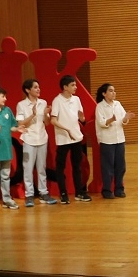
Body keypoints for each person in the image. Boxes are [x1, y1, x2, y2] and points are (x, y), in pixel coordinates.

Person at [51, 75, 89, 203]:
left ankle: (79, 192)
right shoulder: (57, 101)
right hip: (63, 139)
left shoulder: (76, 99)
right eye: (72, 85)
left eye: (75, 85)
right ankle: (63, 193)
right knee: (60, 167)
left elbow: (81, 118)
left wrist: (82, 118)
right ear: (65, 87)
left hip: (76, 138)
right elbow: (53, 120)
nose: (75, 87)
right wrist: (66, 129)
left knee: (77, 166)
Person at [16, 79, 52, 206]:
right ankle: (29, 194)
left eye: (39, 87)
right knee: (28, 168)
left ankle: (43, 192)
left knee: (41, 167)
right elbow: (20, 123)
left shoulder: (43, 103)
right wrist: (32, 115)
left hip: (42, 138)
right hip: (29, 139)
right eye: (35, 87)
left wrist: (46, 114)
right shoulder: (21, 105)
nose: (38, 89)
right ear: (28, 90)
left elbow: (47, 123)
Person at [94, 83, 130, 199]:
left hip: (120, 139)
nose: (113, 93)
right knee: (107, 167)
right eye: (110, 91)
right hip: (107, 140)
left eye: (114, 90)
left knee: (120, 166)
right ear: (104, 94)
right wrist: (111, 120)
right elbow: (101, 123)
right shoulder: (100, 106)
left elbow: (123, 120)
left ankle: (119, 189)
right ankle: (107, 190)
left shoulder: (118, 104)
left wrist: (126, 118)